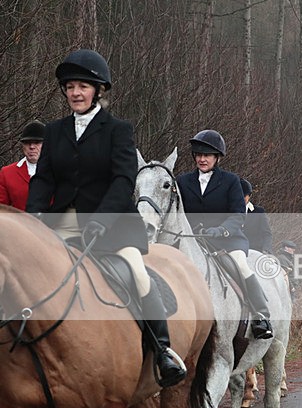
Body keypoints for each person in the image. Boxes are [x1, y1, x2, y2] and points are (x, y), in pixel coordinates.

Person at [25, 49, 185, 387]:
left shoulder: (118, 130)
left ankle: (163, 350)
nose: (75, 93)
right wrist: (32, 220)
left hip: (112, 222)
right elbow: (43, 180)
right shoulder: (54, 132)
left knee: (136, 272)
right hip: (64, 222)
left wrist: (102, 219)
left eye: (82, 86)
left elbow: (123, 179)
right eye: (70, 87)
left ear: (98, 90)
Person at [176, 129, 273, 339]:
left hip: (227, 241)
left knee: (240, 264)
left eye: (207, 155)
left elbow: (238, 214)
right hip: (194, 239)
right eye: (199, 155)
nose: (202, 159)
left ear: (217, 157)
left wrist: (221, 230)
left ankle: (261, 315)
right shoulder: (183, 182)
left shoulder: (230, 181)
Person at [0, 120, 45, 210]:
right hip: (20, 222)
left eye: (37, 142)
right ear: (22, 145)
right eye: (27, 142)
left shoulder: (60, 170)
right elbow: (2, 209)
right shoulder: (7, 173)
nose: (32, 147)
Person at [240, 178, 273, 254]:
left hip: (254, 252)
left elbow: (267, 233)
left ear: (249, 196)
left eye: (244, 196)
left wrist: (266, 249)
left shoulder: (258, 211)